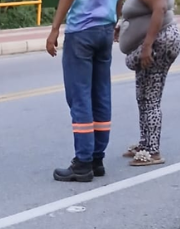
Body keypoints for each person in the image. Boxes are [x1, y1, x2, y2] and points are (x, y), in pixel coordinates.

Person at [47, 0, 118, 182]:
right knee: (101, 95)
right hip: (106, 28)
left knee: (80, 97)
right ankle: (96, 158)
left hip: (82, 30)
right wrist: (116, 19)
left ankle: (83, 163)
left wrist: (55, 28)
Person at [115, 0, 180, 166]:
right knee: (143, 96)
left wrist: (147, 45)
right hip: (157, 41)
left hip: (159, 41)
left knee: (150, 98)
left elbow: (160, 7)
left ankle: (152, 151)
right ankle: (145, 144)